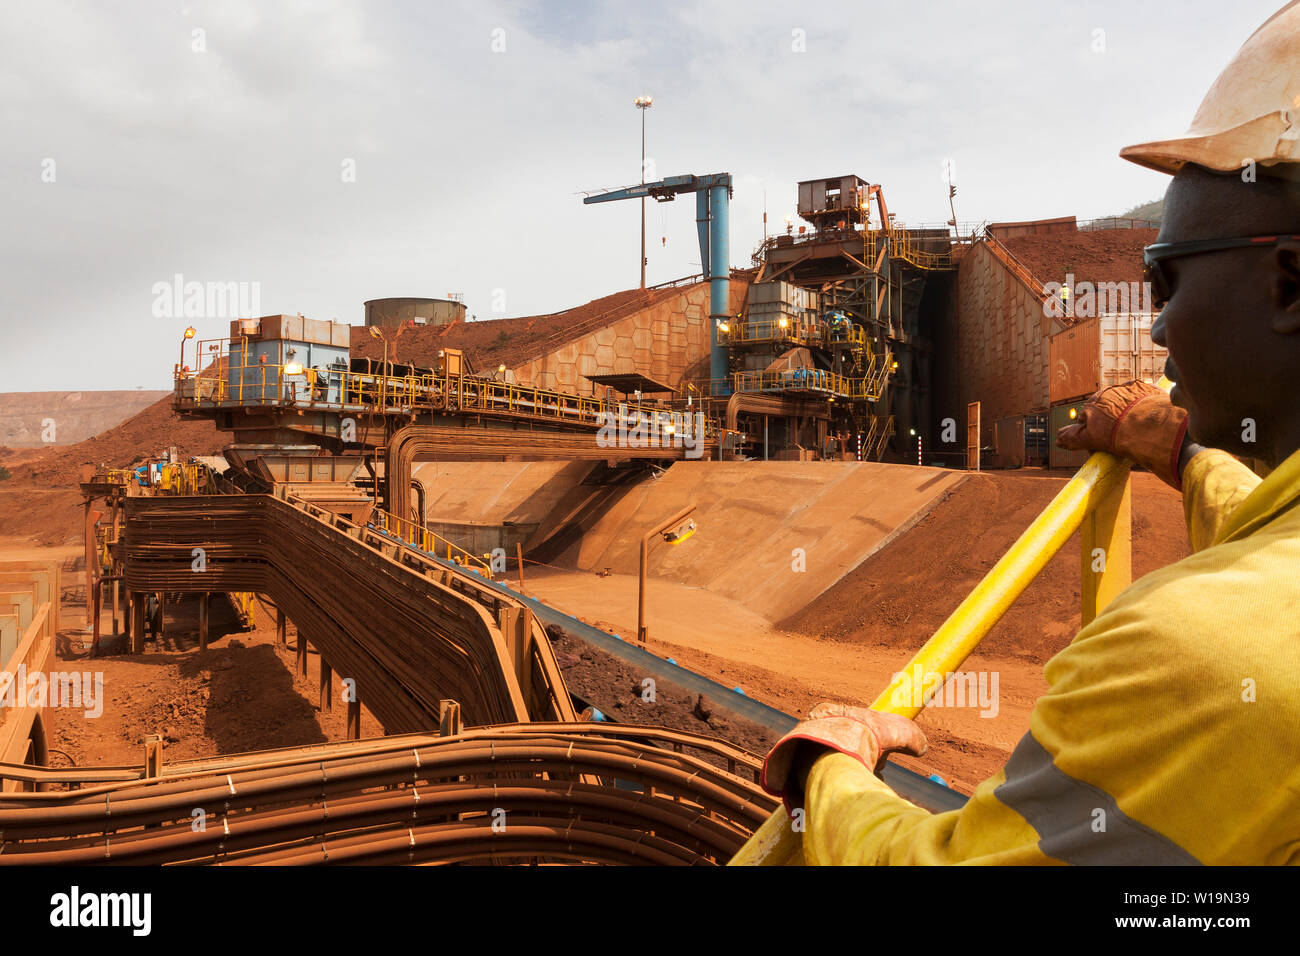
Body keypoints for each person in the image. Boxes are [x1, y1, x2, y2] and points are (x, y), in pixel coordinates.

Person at [760, 2, 1300, 864]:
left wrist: (831, 774)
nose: (1156, 331)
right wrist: (1183, 450)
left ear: (1289, 282)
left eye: (1165, 280)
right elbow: (1267, 532)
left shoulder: (1193, 654)